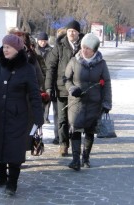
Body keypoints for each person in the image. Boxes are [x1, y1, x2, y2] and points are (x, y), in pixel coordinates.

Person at [0, 34, 44, 196]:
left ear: (17, 49)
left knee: (14, 149)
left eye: (8, 47)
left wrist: (38, 116)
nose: (5, 49)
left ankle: (12, 182)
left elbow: (34, 94)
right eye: (4, 46)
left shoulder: (27, 69)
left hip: (18, 115)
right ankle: (1, 176)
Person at [64, 33, 112, 171]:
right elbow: (66, 79)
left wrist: (107, 102)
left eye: (88, 49)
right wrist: (72, 88)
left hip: (94, 103)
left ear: (95, 50)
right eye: (83, 47)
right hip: (76, 102)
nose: (84, 50)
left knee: (90, 130)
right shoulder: (74, 61)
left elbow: (107, 83)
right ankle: (75, 160)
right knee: (75, 128)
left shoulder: (102, 64)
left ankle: (85, 158)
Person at [45, 20, 84, 156]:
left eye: (74, 31)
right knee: (62, 119)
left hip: (79, 90)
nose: (71, 34)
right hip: (61, 88)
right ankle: (63, 144)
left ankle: (75, 147)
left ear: (78, 33)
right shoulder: (59, 46)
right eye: (69, 31)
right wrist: (48, 87)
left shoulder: (84, 46)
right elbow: (51, 67)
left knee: (75, 120)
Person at [35, 32, 60, 145]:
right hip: (38, 80)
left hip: (49, 79)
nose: (42, 42)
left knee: (48, 100)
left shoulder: (51, 51)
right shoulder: (34, 51)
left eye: (44, 40)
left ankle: (45, 117)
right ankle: (42, 118)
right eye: (41, 40)